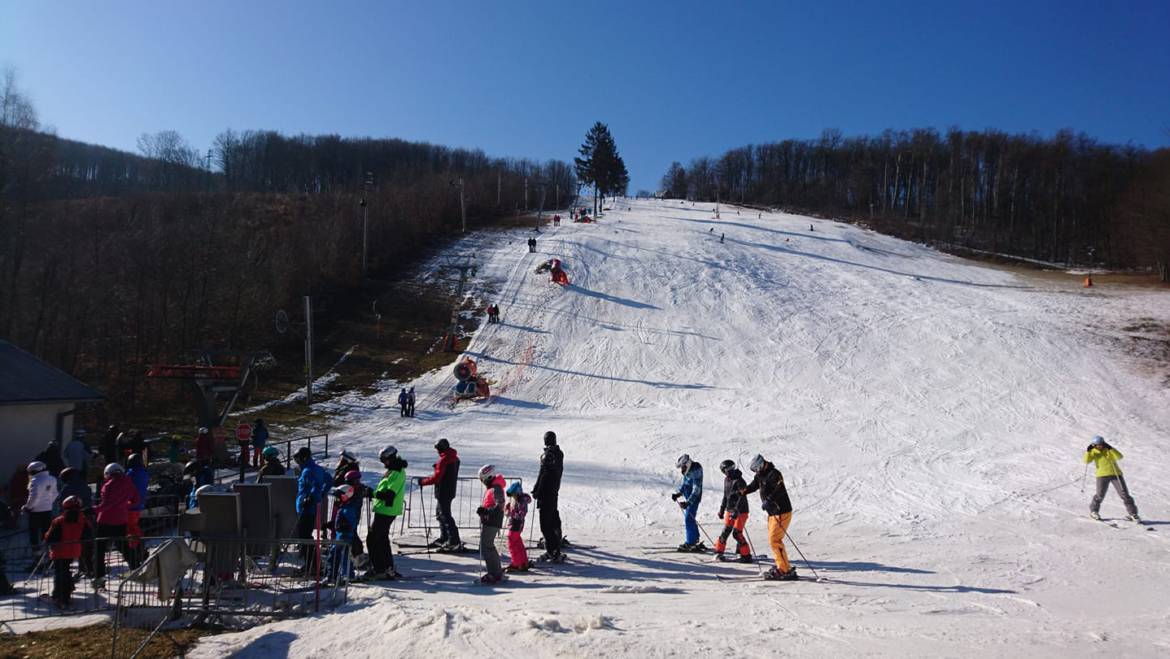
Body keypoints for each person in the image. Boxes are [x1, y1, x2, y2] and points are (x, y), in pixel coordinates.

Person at [741, 454, 796, 581]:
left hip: (781, 511)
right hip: (772, 513)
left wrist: (769, 500)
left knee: (774, 540)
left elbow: (779, 490)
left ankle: (784, 569)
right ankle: (783, 566)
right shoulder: (760, 475)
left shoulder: (774, 474)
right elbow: (754, 485)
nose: (755, 472)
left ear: (760, 464)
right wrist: (743, 491)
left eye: (755, 469)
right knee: (774, 540)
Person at [92, 462, 141, 587]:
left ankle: (99, 577)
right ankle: (136, 568)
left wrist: (93, 509)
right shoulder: (129, 483)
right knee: (124, 546)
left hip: (105, 520)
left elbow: (106, 504)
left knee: (99, 549)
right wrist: (124, 506)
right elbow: (136, 500)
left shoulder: (108, 485)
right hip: (121, 520)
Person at [43, 495, 93, 609]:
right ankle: (65, 593)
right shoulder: (83, 520)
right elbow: (88, 535)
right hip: (74, 550)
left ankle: (61, 597)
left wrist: (46, 538)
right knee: (65, 571)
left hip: (59, 551)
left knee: (60, 573)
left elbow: (50, 538)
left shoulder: (59, 521)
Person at [366, 445, 407, 580]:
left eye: (384, 460)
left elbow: (389, 495)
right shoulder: (392, 470)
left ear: (390, 458)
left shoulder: (397, 472)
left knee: (372, 539)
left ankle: (380, 569)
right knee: (381, 539)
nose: (383, 463)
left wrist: (371, 493)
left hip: (387, 510)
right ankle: (387, 567)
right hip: (384, 509)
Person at [418, 438, 462, 550]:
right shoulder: (454, 457)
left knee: (445, 515)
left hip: (443, 490)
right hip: (450, 490)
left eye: (437, 449)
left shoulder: (444, 460)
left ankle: (453, 540)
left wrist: (423, 481)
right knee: (440, 514)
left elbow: (437, 478)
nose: (437, 451)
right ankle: (445, 537)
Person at [1085, 436, 1140, 522]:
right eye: (1097, 445)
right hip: (1102, 475)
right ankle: (1094, 511)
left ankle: (1133, 514)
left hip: (1116, 474)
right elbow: (1086, 461)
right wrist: (1088, 451)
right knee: (1100, 495)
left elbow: (1119, 456)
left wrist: (1111, 448)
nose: (1099, 446)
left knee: (1124, 494)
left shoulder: (1108, 450)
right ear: (1094, 445)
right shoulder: (1093, 452)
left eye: (1101, 444)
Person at [293, 447, 330, 573]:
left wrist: (311, 498)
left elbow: (316, 485)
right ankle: (312, 564)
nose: (297, 462)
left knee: (305, 537)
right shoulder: (317, 468)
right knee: (305, 536)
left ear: (304, 458)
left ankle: (313, 566)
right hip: (308, 507)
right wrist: (322, 494)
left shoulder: (308, 470)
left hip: (307, 509)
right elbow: (329, 480)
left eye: (298, 459)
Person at [532, 430, 564, 562]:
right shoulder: (558, 453)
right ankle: (555, 546)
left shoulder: (549, 455)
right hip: (553, 491)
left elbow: (544, 476)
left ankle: (553, 550)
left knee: (545, 524)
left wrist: (537, 491)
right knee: (552, 519)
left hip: (546, 493)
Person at [714, 460, 752, 563]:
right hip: (729, 510)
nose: (725, 473)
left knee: (737, 533)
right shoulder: (727, 480)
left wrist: (736, 510)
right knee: (726, 531)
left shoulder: (740, 481)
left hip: (741, 511)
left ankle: (746, 555)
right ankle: (719, 552)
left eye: (724, 471)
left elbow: (742, 498)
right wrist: (722, 509)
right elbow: (725, 496)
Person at [475, 464, 506, 584]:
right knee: (487, 546)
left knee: (486, 546)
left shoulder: (496, 488)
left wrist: (486, 511)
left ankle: (495, 574)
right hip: (490, 520)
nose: (482, 482)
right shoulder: (493, 487)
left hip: (492, 521)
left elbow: (500, 505)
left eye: (483, 480)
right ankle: (496, 572)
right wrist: (483, 510)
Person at [671, 454, 704, 552]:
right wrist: (678, 493)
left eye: (683, 466)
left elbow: (696, 489)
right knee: (691, 519)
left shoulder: (696, 470)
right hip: (688, 497)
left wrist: (688, 503)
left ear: (687, 464)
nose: (682, 469)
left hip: (693, 499)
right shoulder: (688, 470)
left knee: (688, 520)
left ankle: (690, 542)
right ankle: (695, 539)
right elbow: (685, 483)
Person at [325, 484, 359, 583]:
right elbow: (340, 522)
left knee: (335, 555)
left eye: (338, 497)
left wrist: (343, 527)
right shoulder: (344, 507)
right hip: (341, 536)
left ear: (345, 496)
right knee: (343, 556)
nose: (336, 500)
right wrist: (331, 525)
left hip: (344, 537)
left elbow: (351, 524)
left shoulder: (349, 509)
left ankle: (333, 576)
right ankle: (348, 575)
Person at [23, 461, 58, 551]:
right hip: (48, 510)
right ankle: (46, 552)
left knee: (34, 533)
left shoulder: (35, 481)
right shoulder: (52, 479)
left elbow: (33, 496)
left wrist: (28, 507)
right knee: (46, 532)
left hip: (35, 511)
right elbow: (55, 493)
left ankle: (36, 553)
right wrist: (48, 503)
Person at [504, 481, 533, 572]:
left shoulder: (521, 501)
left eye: (513, 495)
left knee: (512, 543)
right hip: (515, 524)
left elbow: (521, 514)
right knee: (517, 542)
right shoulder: (517, 500)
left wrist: (511, 512)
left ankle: (517, 563)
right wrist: (509, 508)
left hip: (516, 524)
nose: (512, 497)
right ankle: (523, 562)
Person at [124, 453, 149, 558]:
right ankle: (139, 548)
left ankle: (137, 549)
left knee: (130, 528)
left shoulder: (131, 474)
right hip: (139, 504)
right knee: (133, 527)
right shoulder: (144, 473)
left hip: (130, 504)